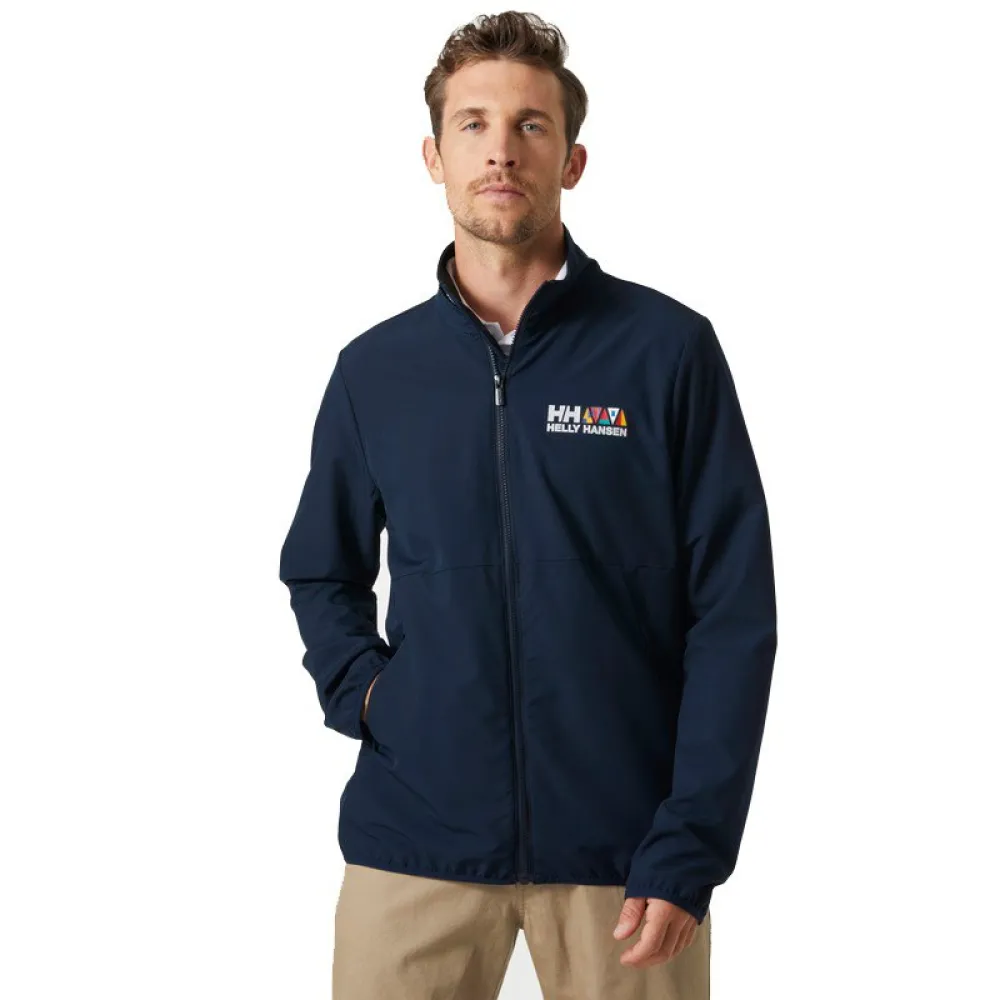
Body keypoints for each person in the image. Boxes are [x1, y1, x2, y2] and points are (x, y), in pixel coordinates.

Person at [278, 12, 777, 999]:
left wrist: (690, 843)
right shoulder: (376, 371)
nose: (500, 149)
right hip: (413, 842)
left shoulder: (666, 351)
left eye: (530, 125)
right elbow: (321, 568)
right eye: (473, 124)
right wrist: (369, 695)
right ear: (434, 157)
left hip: (626, 856)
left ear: (573, 160)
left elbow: (733, 613)